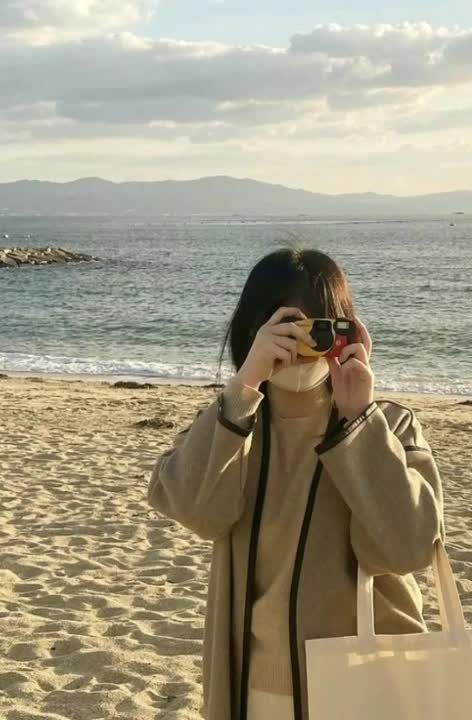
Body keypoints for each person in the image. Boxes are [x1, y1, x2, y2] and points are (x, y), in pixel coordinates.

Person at [147, 246, 446, 720]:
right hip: (251, 690)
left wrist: (359, 419)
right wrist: (245, 384)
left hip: (367, 687)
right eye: (289, 327)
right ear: (254, 330)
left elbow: (406, 549)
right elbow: (193, 509)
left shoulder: (389, 426)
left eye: (321, 327)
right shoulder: (232, 425)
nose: (304, 342)